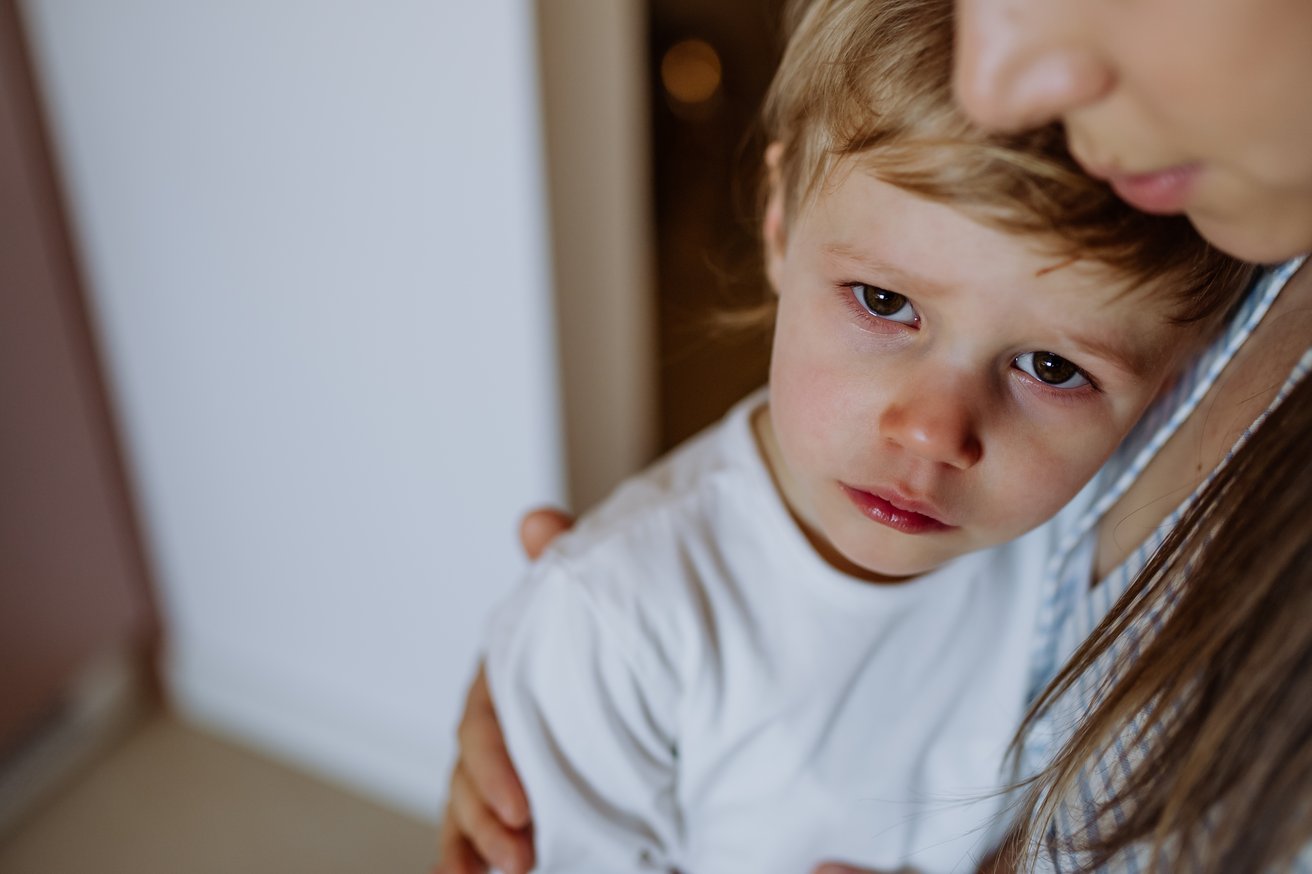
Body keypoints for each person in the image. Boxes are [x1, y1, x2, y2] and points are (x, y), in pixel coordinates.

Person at [436, 0, 1312, 868]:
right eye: (886, 303)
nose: (936, 433)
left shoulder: (1035, 545)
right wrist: (570, 647)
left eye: (1050, 369)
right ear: (779, 225)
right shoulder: (619, 625)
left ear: (1168, 381)